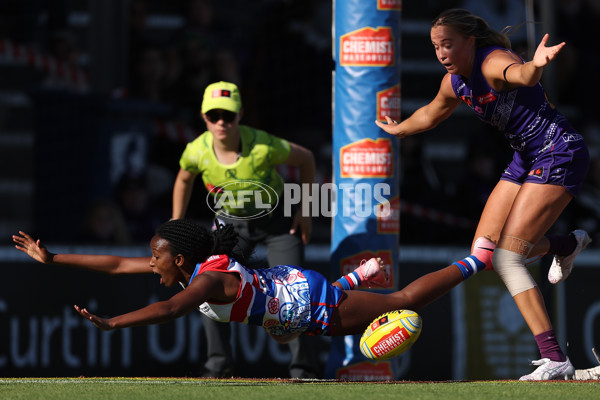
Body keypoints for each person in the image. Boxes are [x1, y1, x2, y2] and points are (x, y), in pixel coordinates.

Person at [375, 8, 592, 380]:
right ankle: (564, 246)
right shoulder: (454, 82)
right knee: (487, 253)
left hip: (559, 150)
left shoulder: (492, 62)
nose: (441, 53)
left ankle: (555, 359)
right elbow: (430, 114)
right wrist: (400, 131)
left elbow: (520, 74)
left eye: (448, 45)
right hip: (527, 156)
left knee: (509, 259)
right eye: (435, 47)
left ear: (469, 42)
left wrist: (536, 65)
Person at [12, 219, 495, 351]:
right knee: (279, 329)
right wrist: (51, 257)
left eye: (156, 256)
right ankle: (355, 278)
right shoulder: (195, 266)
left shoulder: (204, 282)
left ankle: (477, 259)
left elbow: (170, 310)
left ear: (178, 259)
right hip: (289, 295)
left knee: (404, 302)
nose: (149, 262)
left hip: (308, 306)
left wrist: (114, 322)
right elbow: (118, 265)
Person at [171, 81, 317, 378]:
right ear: (203, 117)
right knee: (207, 286)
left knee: (294, 294)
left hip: (276, 222)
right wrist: (176, 221)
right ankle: (218, 367)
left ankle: (305, 371)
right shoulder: (196, 150)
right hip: (229, 226)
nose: (221, 122)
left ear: (240, 115)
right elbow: (184, 179)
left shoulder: (262, 145)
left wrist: (306, 210)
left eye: (228, 115)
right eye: (214, 116)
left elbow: (307, 159)